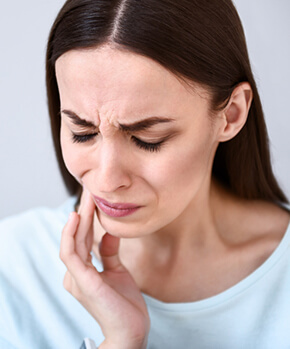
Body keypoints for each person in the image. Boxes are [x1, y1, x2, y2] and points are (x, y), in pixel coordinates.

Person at [0, 0, 289, 348]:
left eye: (147, 139)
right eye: (82, 132)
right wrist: (122, 341)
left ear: (231, 115)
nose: (106, 181)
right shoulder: (11, 268)